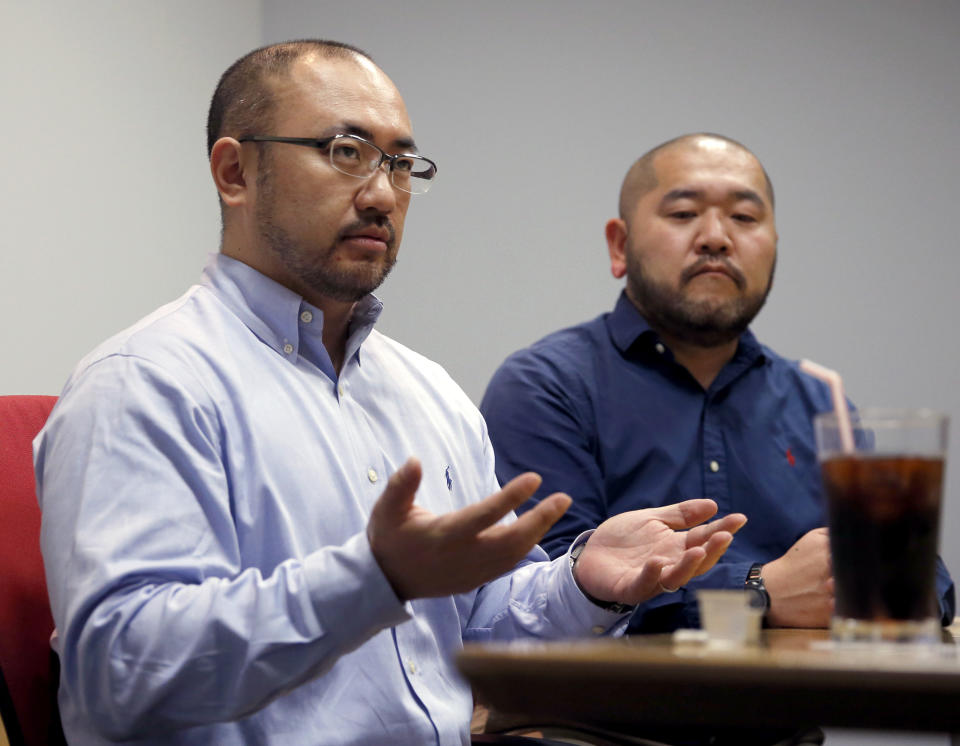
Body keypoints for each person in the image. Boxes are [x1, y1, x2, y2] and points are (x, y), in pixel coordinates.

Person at [34, 43, 746, 745]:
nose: (382, 193)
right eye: (345, 150)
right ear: (235, 171)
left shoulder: (429, 392)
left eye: (401, 164)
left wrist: (584, 584)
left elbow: (478, 621)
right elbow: (119, 675)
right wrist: (374, 577)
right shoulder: (143, 383)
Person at [480, 133, 955, 633]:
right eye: (684, 214)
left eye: (745, 218)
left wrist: (900, 578)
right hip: (605, 709)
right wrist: (756, 592)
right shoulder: (544, 387)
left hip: (808, 704)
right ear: (620, 246)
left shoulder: (820, 404)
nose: (716, 237)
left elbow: (914, 570)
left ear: (774, 248)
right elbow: (547, 596)